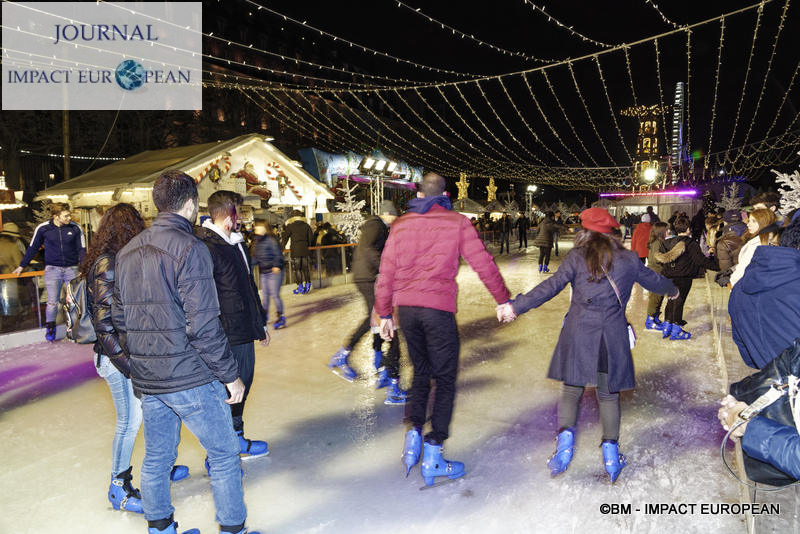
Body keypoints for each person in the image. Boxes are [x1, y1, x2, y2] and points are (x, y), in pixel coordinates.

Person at [112, 170, 257, 534]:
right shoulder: (191, 249)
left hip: (148, 378)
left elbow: (118, 317)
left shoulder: (128, 251)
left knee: (158, 457)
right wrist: (230, 375)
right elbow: (204, 325)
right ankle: (233, 529)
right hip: (189, 375)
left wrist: (140, 362)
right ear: (191, 204)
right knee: (224, 454)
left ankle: (160, 527)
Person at [496, 207, 677, 483]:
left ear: (586, 232)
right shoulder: (628, 259)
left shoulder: (577, 257)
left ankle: (564, 451)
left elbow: (550, 287)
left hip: (579, 333)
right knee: (608, 395)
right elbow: (655, 280)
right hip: (611, 336)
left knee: (571, 391)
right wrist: (672, 289)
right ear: (613, 233)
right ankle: (611, 456)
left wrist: (516, 307)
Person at [375, 173, 510, 486]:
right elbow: (483, 263)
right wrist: (502, 299)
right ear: (446, 194)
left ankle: (413, 436)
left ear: (420, 193)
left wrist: (384, 313)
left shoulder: (401, 224)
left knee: (421, 372)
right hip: (438, 309)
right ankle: (434, 452)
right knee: (445, 378)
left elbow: (386, 271)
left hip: (407, 310)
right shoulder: (457, 222)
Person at [82, 203, 190, 515]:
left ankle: (156, 468)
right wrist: (130, 367)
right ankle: (118, 486)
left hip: (131, 355)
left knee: (151, 413)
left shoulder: (123, 260)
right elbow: (104, 326)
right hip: (116, 360)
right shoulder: (108, 264)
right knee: (130, 422)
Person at [199, 190, 270, 461]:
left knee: (245, 382)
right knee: (226, 390)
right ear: (230, 215)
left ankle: (236, 438)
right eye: (239, 212)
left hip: (243, 328)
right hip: (224, 332)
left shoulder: (237, 243)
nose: (242, 218)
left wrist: (260, 323)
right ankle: (219, 451)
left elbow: (249, 287)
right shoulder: (206, 246)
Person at [329, 200, 406, 405]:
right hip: (368, 276)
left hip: (369, 276)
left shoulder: (378, 226)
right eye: (393, 216)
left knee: (378, 320)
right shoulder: (375, 225)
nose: (394, 220)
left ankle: (380, 361)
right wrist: (386, 266)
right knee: (378, 318)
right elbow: (368, 248)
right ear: (387, 214)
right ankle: (345, 354)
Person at [728, 211, 800, 369]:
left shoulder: (761, 263)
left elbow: (745, 347)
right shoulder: (756, 243)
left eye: (753, 220)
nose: (748, 223)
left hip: (771, 373)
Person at [13, 202, 86, 341]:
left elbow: (81, 249)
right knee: (52, 302)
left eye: (69, 215)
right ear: (56, 216)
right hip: (52, 270)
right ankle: (50, 328)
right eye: (66, 216)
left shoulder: (75, 228)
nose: (69, 218)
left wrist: (82, 267)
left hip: (72, 269)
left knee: (74, 301)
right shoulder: (43, 229)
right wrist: (22, 266)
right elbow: (33, 247)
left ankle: (76, 329)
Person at [655, 216, 719, 340]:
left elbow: (662, 260)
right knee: (679, 302)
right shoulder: (690, 243)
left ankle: (667, 326)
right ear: (688, 229)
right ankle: (676, 330)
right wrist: (718, 266)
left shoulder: (666, 243)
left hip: (668, 277)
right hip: (683, 278)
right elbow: (701, 261)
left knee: (671, 300)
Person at [729, 208, 778, 287]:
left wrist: (732, 282)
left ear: (764, 223)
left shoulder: (757, 244)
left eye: (753, 221)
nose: (748, 224)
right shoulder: (770, 240)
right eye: (749, 221)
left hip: (746, 287)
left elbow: (743, 270)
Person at [252, 222, 286, 329]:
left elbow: (278, 254)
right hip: (264, 272)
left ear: (265, 229)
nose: (257, 230)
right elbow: (256, 258)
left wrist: (276, 265)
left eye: (260, 228)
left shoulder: (271, 240)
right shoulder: (257, 242)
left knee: (275, 294)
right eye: (256, 228)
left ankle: (281, 317)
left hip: (273, 272)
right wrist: (249, 267)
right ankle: (264, 316)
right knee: (265, 296)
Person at [644, 222, 669, 331]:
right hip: (655, 274)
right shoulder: (657, 243)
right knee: (654, 298)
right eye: (667, 230)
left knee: (659, 296)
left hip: (659, 273)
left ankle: (655, 318)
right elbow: (655, 259)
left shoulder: (660, 242)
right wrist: (666, 259)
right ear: (661, 231)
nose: (669, 231)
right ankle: (650, 321)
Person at [282, 210, 314, 294]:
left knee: (297, 269)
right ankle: (307, 284)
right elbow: (311, 238)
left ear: (292, 217)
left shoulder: (290, 226)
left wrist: (282, 247)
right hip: (304, 250)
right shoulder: (306, 226)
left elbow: (285, 238)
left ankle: (300, 287)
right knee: (305, 268)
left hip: (295, 250)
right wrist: (308, 245)